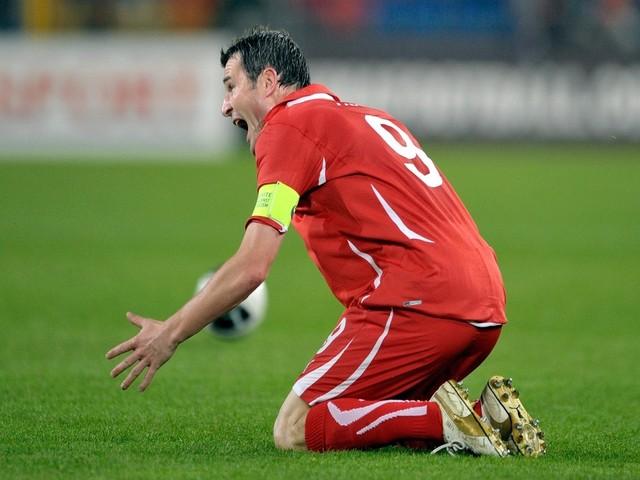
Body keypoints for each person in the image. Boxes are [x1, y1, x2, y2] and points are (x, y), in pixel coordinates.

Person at [106, 27, 545, 457]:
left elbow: (253, 265)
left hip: (420, 302)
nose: (224, 106)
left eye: (230, 86)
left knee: (297, 428)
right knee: (381, 423)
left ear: (269, 81)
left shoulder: (288, 126)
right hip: (484, 304)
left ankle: (446, 421)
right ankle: (483, 415)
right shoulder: (365, 116)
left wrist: (171, 333)